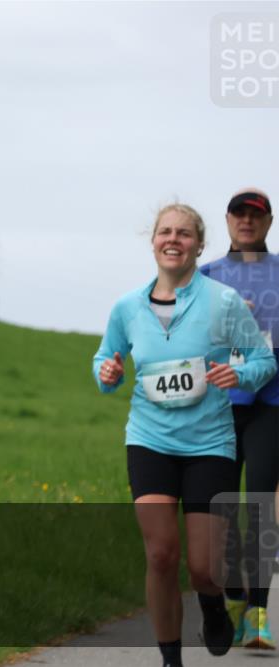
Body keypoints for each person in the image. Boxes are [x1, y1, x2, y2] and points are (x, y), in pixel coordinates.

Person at [93, 203, 276, 667]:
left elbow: (263, 361)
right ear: (152, 240)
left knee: (204, 567)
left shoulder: (223, 300)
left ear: (199, 244)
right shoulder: (128, 306)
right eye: (165, 232)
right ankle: (170, 658)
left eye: (184, 234)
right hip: (149, 439)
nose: (173, 240)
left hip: (210, 444)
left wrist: (241, 375)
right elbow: (104, 362)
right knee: (159, 554)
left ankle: (213, 605)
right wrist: (109, 371)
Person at [199, 188, 278, 650]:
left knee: (260, 506)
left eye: (256, 215)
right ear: (227, 221)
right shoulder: (206, 277)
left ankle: (258, 613)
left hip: (271, 404)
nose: (246, 221)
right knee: (221, 511)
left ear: (268, 223)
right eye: (239, 214)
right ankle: (232, 596)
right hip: (219, 409)